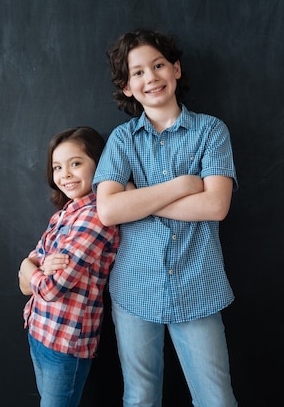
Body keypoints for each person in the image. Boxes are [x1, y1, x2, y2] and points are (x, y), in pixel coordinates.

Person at [93, 29, 238, 407]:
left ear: (175, 69)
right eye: (137, 72)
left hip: (198, 284)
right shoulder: (122, 140)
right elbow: (108, 210)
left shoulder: (211, 131)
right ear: (127, 87)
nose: (150, 77)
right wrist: (183, 186)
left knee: (216, 399)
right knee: (140, 398)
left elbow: (215, 207)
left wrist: (135, 199)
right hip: (134, 287)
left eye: (158, 65)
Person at [19, 127, 120, 407]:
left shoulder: (96, 217)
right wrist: (31, 268)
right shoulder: (64, 213)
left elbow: (49, 288)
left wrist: (28, 267)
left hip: (65, 342)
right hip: (39, 328)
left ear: (99, 164)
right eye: (57, 167)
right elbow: (25, 284)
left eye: (76, 163)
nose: (65, 174)